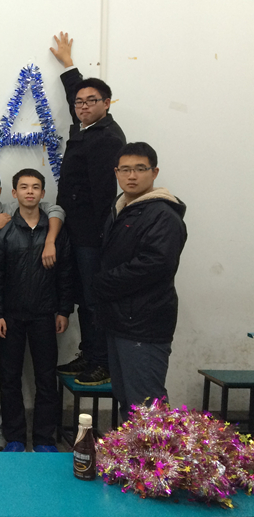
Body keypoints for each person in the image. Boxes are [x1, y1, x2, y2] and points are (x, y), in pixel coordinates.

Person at [0, 168, 65, 452]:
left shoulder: (22, 212)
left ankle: (23, 434)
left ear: (3, 190)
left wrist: (51, 240)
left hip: (32, 310)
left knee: (31, 377)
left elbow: (56, 211)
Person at [50, 31, 126, 386]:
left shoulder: (106, 137)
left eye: (90, 101)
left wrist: (98, 237)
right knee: (82, 296)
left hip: (91, 235)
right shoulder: (88, 126)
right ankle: (89, 354)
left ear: (107, 103)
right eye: (79, 102)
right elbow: (75, 95)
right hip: (76, 229)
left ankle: (102, 362)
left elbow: (103, 194)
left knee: (93, 299)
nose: (82, 106)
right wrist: (68, 65)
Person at [92, 142, 187, 420]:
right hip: (121, 320)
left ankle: (152, 452)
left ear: (154, 172)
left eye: (140, 169)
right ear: (116, 173)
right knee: (127, 401)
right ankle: (130, 451)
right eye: (125, 169)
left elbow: (156, 265)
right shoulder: (123, 208)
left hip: (144, 324)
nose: (131, 176)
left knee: (146, 409)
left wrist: (102, 283)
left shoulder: (162, 215)